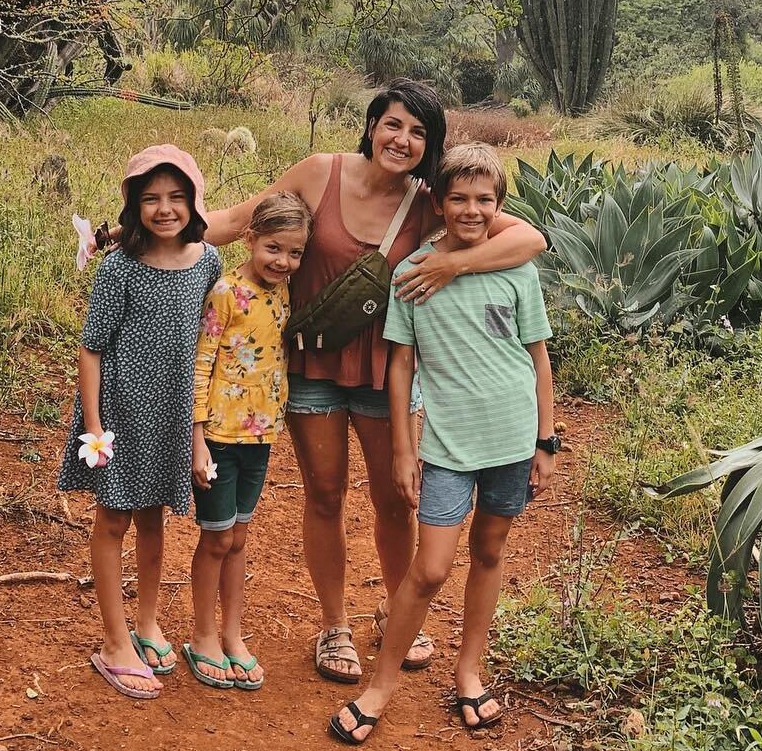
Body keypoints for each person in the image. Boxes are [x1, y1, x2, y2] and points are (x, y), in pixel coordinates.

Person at [199, 80, 546, 685]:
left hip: (389, 370)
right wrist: (146, 231)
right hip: (313, 367)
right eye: (393, 125)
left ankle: (395, 609)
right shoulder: (317, 174)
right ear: (370, 125)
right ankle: (334, 625)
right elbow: (236, 220)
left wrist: (452, 262)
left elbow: (527, 237)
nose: (402, 140)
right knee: (325, 493)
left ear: (429, 147)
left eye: (418, 132)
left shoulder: (429, 200)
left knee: (396, 495)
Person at [328, 143, 557, 746]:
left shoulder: (516, 270)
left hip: (512, 436)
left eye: (485, 200)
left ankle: (469, 670)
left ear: (499, 206)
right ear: (438, 201)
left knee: (489, 549)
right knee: (428, 569)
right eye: (459, 198)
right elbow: (400, 366)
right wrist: (403, 448)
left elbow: (537, 355)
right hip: (449, 446)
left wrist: (545, 439)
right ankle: (380, 685)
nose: (472, 210)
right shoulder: (413, 273)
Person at [58, 146, 221, 700]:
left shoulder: (209, 262)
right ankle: (113, 638)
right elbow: (92, 350)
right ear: (133, 207)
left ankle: (146, 622)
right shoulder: (119, 267)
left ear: (195, 202)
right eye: (150, 198)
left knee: (155, 521)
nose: (165, 208)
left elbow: (210, 338)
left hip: (173, 416)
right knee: (112, 521)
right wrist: (94, 429)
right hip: (117, 419)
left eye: (177, 197)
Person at [183, 191, 313, 691]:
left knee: (238, 537)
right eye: (274, 249)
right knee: (216, 537)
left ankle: (233, 635)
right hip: (217, 435)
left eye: (295, 253)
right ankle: (203, 635)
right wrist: (195, 440)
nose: (283, 261)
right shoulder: (225, 292)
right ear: (251, 239)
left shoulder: (283, 293)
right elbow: (200, 364)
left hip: (260, 436)